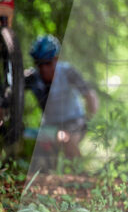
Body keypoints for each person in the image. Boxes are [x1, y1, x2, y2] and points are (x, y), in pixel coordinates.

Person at [25, 34, 98, 164]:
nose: (43, 69)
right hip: (50, 126)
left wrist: (90, 118)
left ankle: (80, 176)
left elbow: (89, 95)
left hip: (75, 122)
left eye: (47, 63)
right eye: (39, 64)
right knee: (33, 143)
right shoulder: (32, 77)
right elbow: (9, 93)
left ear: (56, 59)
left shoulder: (68, 72)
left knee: (67, 140)